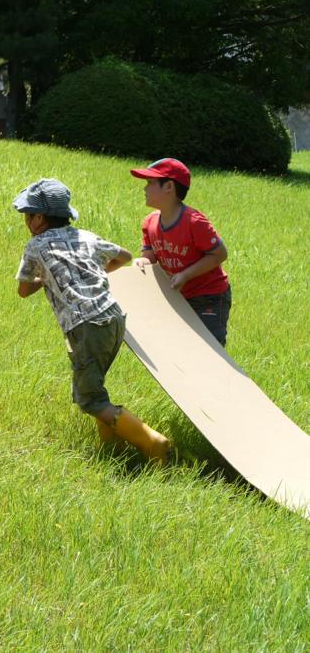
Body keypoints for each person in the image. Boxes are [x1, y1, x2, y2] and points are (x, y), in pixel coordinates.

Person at [14, 178, 170, 462]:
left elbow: (23, 290)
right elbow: (124, 256)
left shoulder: (35, 246)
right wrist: (93, 272)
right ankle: (112, 449)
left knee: (89, 399)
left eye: (27, 215)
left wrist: (46, 277)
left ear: (39, 219)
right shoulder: (85, 236)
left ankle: (152, 442)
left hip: (85, 327)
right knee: (96, 388)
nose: (26, 221)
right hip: (114, 319)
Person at [130, 158, 231, 346]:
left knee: (209, 350)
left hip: (208, 296)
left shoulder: (194, 222)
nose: (145, 188)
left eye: (150, 183)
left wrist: (185, 275)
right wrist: (141, 262)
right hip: (178, 296)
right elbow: (149, 258)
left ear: (169, 187)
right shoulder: (150, 222)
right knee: (180, 347)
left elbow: (219, 254)